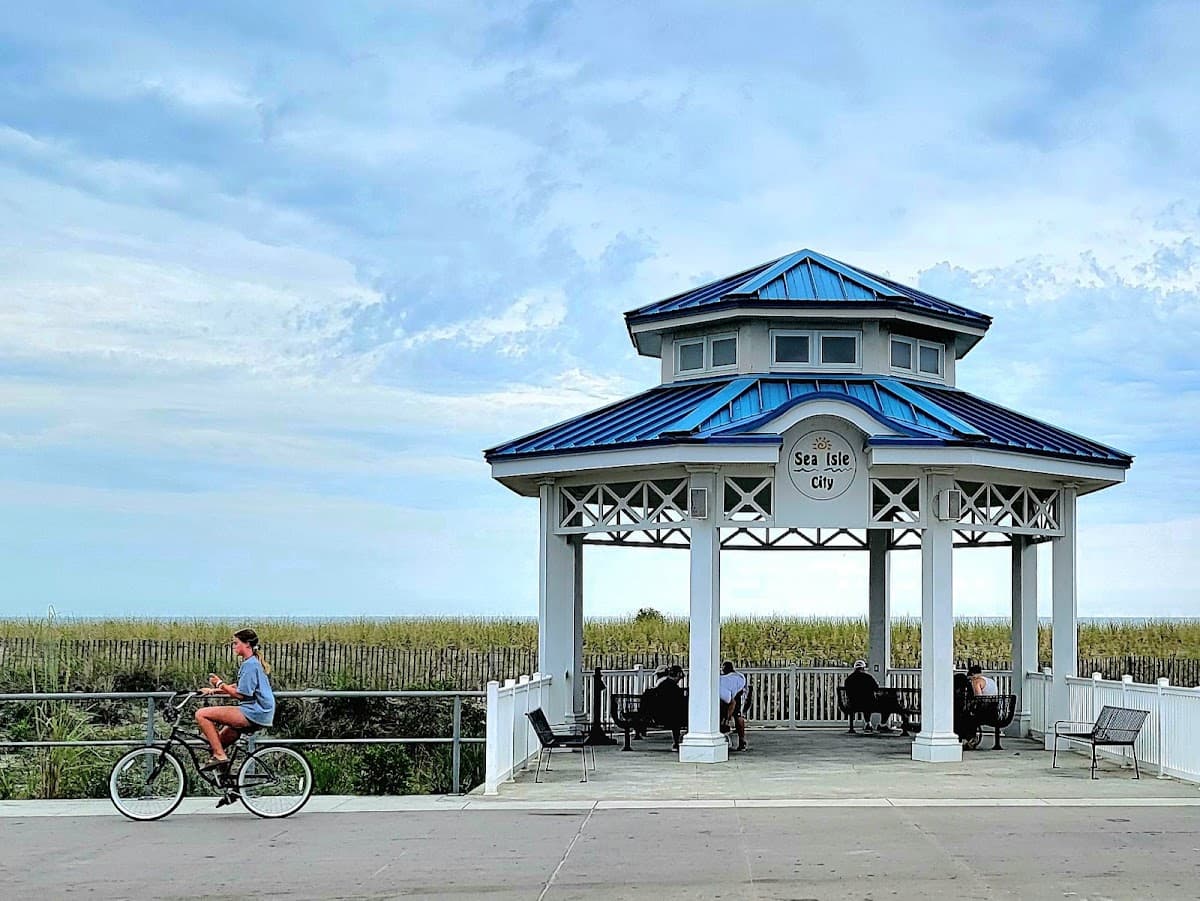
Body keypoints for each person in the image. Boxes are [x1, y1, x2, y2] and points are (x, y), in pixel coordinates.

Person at [196, 628, 276, 770]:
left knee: (201, 714)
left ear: (247, 644)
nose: (233, 646)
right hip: (258, 711)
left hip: (254, 711)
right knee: (217, 743)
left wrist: (219, 683)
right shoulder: (251, 663)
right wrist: (213, 691)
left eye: (236, 643)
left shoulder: (250, 665)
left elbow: (241, 694)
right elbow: (238, 686)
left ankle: (220, 756)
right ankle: (229, 785)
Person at [843, 659, 880, 733]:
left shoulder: (849, 679)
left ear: (855, 668)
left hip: (853, 704)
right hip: (869, 703)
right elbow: (876, 688)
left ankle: (865, 724)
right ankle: (877, 724)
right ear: (863, 668)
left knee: (865, 702)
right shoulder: (868, 677)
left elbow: (847, 693)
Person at [719, 661, 748, 751]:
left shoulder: (722, 688)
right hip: (733, 689)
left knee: (738, 716)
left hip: (739, 692)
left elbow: (733, 703)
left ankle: (742, 741)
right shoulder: (723, 679)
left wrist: (727, 719)